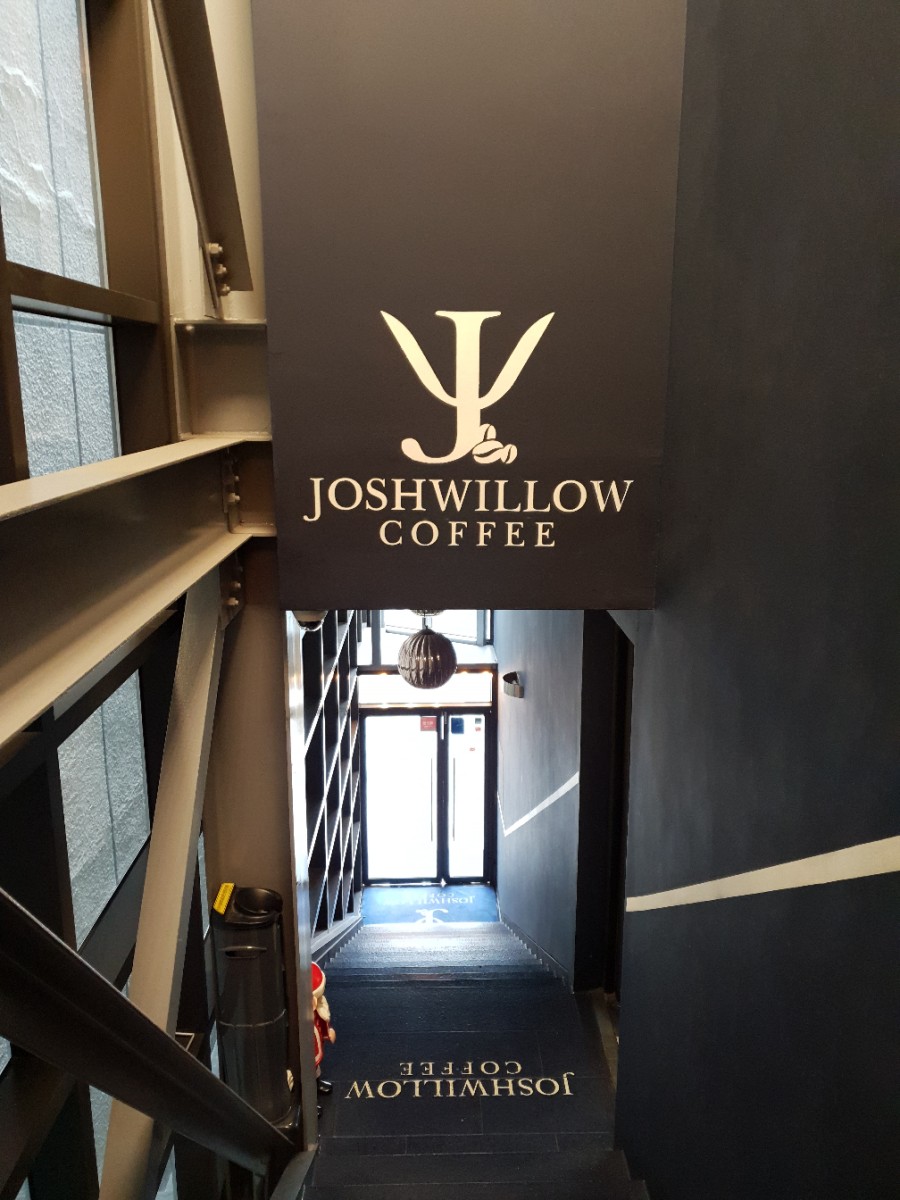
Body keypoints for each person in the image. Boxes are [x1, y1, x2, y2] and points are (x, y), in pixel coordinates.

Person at [311, 961, 336, 1099]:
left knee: (315, 1067)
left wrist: (327, 1033)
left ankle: (316, 1083)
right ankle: (309, 1097)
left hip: (315, 1047)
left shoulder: (317, 1010)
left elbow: (322, 1020)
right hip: (306, 1051)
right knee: (306, 1070)